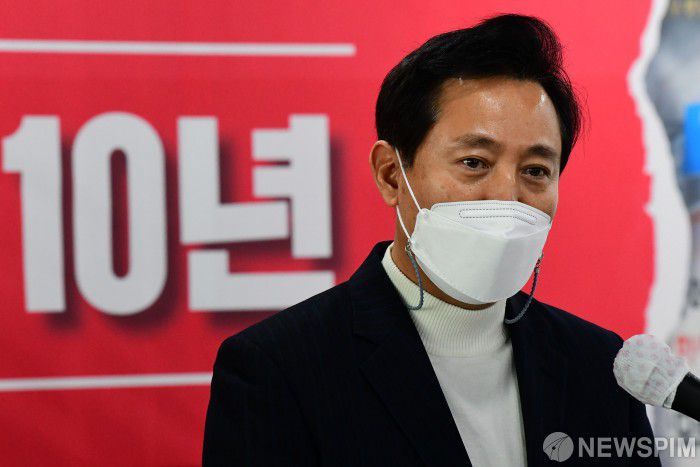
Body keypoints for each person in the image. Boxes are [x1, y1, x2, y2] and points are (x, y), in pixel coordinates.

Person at [203, 14, 660, 466]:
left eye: (536, 171)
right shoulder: (280, 369)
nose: (507, 196)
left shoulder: (600, 366)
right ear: (391, 174)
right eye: (474, 162)